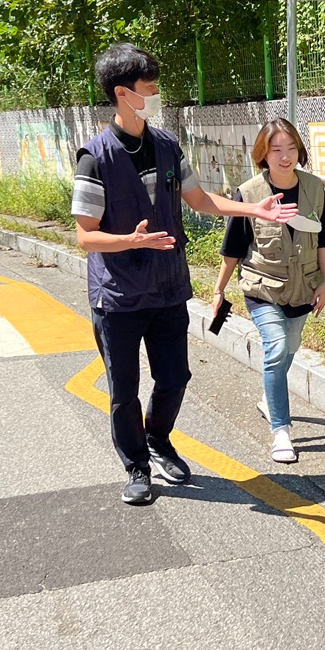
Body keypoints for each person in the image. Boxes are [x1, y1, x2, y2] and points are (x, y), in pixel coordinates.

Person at [72, 43, 297, 506]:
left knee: (175, 378)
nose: (156, 94)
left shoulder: (168, 146)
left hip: (168, 288)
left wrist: (253, 209)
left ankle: (158, 440)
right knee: (124, 391)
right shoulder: (94, 158)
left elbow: (201, 200)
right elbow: (85, 236)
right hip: (118, 297)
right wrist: (130, 241)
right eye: (149, 87)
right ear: (123, 93)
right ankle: (136, 466)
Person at [211, 119, 325, 464]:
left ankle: (269, 396)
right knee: (277, 347)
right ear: (263, 154)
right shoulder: (249, 193)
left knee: (290, 346)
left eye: (291, 148)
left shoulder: (314, 188)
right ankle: (281, 431)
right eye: (276, 149)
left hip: (303, 286)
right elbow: (233, 248)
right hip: (262, 286)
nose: (285, 156)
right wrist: (219, 290)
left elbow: (323, 238)